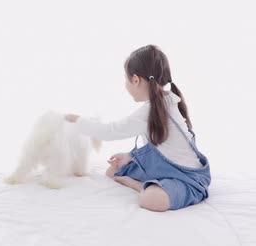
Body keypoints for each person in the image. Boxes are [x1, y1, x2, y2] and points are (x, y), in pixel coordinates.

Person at [65, 45, 211, 211]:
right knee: (113, 171)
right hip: (167, 169)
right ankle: (150, 183)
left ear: (135, 80)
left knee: (150, 199)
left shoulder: (155, 109)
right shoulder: (163, 102)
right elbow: (163, 146)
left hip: (187, 178)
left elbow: (110, 131)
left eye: (126, 80)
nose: (125, 85)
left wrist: (78, 121)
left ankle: (138, 185)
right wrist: (130, 156)